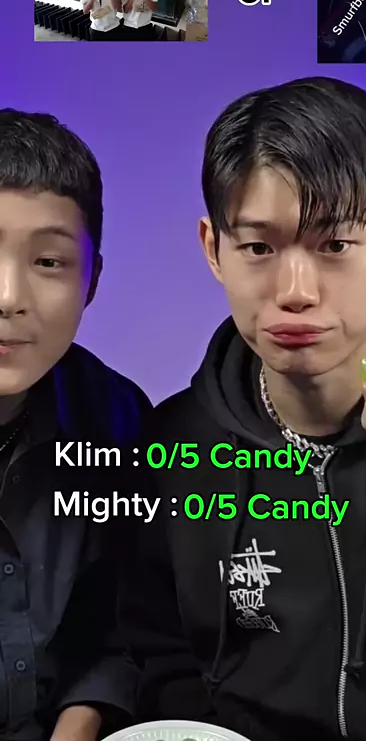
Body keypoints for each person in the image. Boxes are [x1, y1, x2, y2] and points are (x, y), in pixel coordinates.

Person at [123, 77, 366, 741]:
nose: (295, 291)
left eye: (335, 245)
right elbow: (161, 659)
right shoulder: (171, 446)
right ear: (213, 249)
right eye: (259, 247)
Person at [0, 109, 152, 741]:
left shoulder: (117, 419)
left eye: (48, 261)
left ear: (92, 282)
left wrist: (80, 723)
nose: (8, 297)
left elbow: (119, 630)